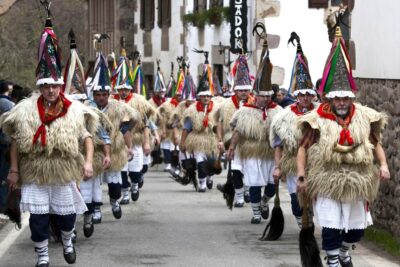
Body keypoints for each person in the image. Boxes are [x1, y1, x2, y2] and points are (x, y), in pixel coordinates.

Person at [1, 11, 98, 266]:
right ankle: (42, 257)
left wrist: (88, 163)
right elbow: (15, 142)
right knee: (38, 219)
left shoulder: (75, 109)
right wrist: (13, 170)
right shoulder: (25, 110)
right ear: (40, 87)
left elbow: (87, 138)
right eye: (46, 86)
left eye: (55, 86)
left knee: (66, 218)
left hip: (64, 169)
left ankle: (67, 240)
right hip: (35, 170)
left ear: (59, 86)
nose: (51, 90)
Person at [296, 27, 390, 267]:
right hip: (328, 179)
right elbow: (303, 148)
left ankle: (346, 252)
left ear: (351, 98)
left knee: (354, 231)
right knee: (331, 226)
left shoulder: (362, 118)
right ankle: (334, 261)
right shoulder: (317, 119)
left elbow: (375, 144)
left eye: (345, 98)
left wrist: (383, 165)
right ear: (330, 98)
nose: (341, 102)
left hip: (357, 180)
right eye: (337, 98)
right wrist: (301, 175)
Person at [227, 41, 282, 224]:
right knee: (255, 183)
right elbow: (238, 131)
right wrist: (232, 148)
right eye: (262, 95)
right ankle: (256, 213)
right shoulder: (245, 111)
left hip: (270, 152)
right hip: (251, 151)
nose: (266, 99)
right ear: (256, 95)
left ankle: (266, 201)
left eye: (268, 95)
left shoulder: (278, 112)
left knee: (272, 185)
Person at [270, 32, 318, 228]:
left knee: (315, 198)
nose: (305, 98)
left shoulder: (320, 113)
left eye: (308, 94)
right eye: (302, 95)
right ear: (297, 96)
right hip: (292, 162)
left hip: (315, 163)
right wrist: (278, 166)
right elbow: (278, 144)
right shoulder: (284, 116)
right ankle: (302, 223)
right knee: (296, 200)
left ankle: (311, 220)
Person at [113, 50, 157, 204]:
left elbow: (145, 124)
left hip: (136, 139)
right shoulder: (113, 102)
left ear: (130, 88)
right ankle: (125, 194)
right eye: (121, 89)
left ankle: (135, 184)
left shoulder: (139, 101)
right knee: (122, 170)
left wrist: (146, 142)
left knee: (135, 170)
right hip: (119, 143)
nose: (123, 92)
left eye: (126, 89)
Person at [215, 54, 254, 207]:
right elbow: (219, 123)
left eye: (246, 90)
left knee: (250, 172)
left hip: (251, 144)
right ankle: (238, 195)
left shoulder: (255, 103)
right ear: (236, 91)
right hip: (233, 141)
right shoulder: (225, 105)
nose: (244, 92)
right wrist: (220, 140)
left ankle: (247, 190)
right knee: (236, 170)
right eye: (241, 90)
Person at [179, 59, 219, 192]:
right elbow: (186, 128)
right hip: (198, 139)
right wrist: (182, 142)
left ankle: (209, 176)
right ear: (199, 97)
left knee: (212, 162)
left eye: (208, 96)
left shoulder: (217, 109)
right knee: (200, 161)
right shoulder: (192, 111)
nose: (206, 98)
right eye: (204, 96)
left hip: (212, 140)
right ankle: (202, 182)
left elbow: (220, 126)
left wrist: (221, 140)